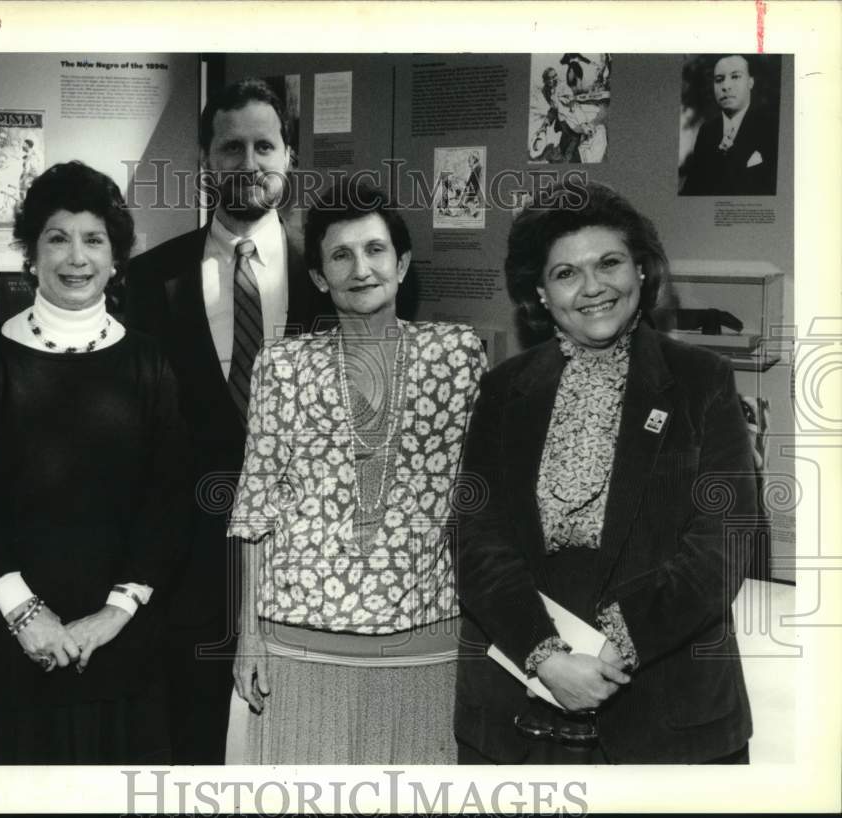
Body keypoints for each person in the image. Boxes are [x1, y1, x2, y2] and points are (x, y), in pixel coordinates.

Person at [455, 182, 758, 764]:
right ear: (541, 294)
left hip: (669, 708)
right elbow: (477, 537)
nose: (592, 287)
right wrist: (545, 655)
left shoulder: (702, 381)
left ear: (642, 272)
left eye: (610, 263)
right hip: (524, 707)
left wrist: (617, 646)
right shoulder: (501, 390)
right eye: (566, 273)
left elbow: (723, 542)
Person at [0, 161, 192, 764]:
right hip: (0, 648)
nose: (77, 257)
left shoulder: (150, 364)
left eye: (94, 239)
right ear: (31, 252)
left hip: (116, 650)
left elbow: (170, 502)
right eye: (58, 237)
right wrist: (27, 615)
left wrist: (112, 615)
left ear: (117, 257)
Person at [228, 179, 486, 764]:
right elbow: (256, 508)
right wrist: (249, 635)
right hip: (298, 639)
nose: (360, 268)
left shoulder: (458, 355)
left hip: (430, 636)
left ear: (403, 264)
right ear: (319, 277)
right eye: (340, 255)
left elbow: (483, 502)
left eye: (374, 250)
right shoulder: (282, 365)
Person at [124, 78, 331, 763]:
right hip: (184, 576)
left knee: (304, 758)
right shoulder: (151, 282)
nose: (248, 163)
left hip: (309, 569)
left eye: (263, 145)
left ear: (290, 156)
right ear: (207, 161)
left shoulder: (334, 278)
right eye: (230, 147)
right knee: (190, 755)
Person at [681, 54, 778, 195]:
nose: (726, 86)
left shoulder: (771, 127)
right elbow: (691, 189)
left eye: (735, 77)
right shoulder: (707, 131)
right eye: (719, 80)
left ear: (750, 82)